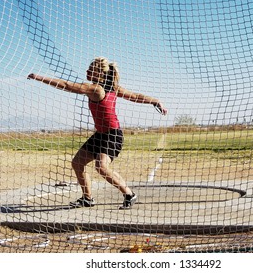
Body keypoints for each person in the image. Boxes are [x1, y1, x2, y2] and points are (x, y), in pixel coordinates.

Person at [27, 57, 167, 209]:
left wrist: (39, 77)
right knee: (77, 163)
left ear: (100, 73)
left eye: (91, 68)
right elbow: (134, 96)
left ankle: (129, 194)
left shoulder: (98, 89)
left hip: (112, 135)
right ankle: (87, 198)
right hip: (100, 135)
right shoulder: (109, 87)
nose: (87, 70)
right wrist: (155, 101)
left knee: (101, 167)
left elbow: (67, 85)